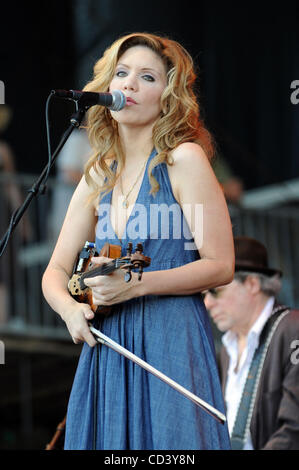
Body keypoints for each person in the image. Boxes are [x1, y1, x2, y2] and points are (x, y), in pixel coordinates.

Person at [42, 32, 234, 450]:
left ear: (169, 97)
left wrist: (138, 285)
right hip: (109, 344)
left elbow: (220, 264)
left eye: (147, 77)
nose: (129, 84)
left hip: (170, 333)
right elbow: (54, 272)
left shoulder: (184, 159)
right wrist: (71, 312)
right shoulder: (99, 173)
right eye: (122, 73)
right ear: (107, 87)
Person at [204, 236, 299, 450]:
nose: (207, 303)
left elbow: (294, 429)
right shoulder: (226, 351)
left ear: (252, 284)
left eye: (215, 291)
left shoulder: (294, 330)